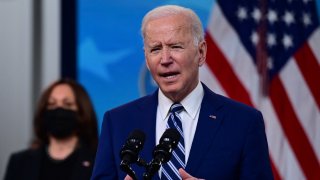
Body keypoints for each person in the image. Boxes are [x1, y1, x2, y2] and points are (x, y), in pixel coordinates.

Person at [91, 5, 274, 180]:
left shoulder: (244, 122)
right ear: (147, 60)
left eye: (175, 47)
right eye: (155, 49)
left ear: (201, 52)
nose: (165, 59)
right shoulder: (117, 122)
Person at [4, 78, 99, 180]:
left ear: (82, 111)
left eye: (67, 104)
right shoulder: (19, 162)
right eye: (51, 104)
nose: (58, 110)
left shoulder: (98, 162)